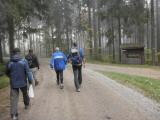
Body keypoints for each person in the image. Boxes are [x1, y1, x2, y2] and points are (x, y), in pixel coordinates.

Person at [6, 48, 33, 120]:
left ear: (13, 53)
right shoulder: (24, 61)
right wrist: (30, 81)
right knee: (25, 94)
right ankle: (26, 105)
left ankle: (14, 115)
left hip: (13, 83)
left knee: (14, 99)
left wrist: (11, 77)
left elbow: (7, 72)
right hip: (23, 82)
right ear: (19, 53)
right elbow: (28, 72)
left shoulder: (9, 62)